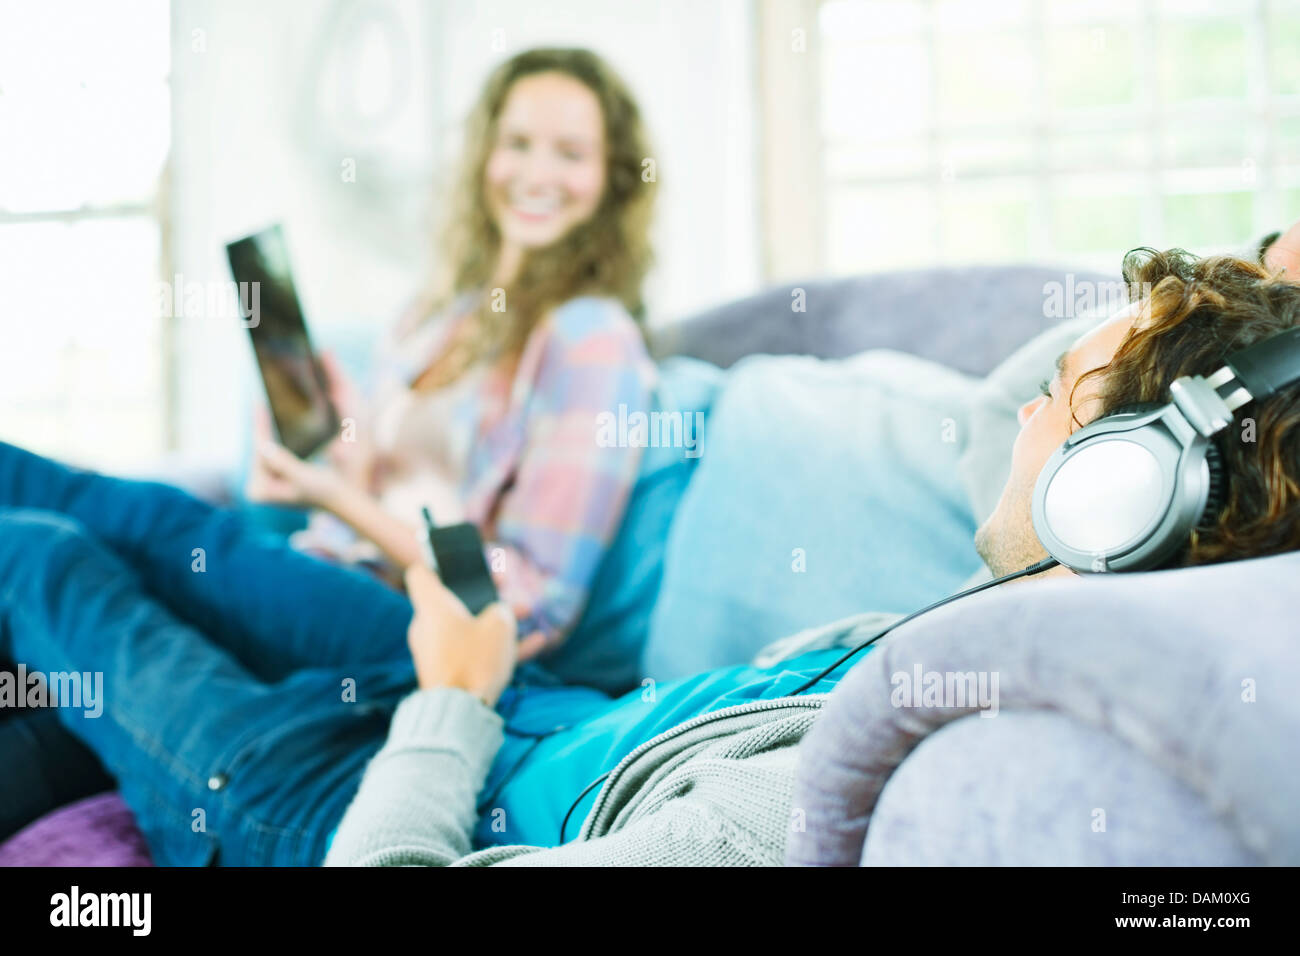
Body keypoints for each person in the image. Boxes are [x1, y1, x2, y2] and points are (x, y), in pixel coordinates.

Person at [3, 228, 1299, 865]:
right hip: (511, 690)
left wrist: (452, 694)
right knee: (174, 523)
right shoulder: (962, 634)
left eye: (1058, 395)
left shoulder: (784, 814)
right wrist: (374, 515)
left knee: (45, 559)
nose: (1018, 410)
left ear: (1117, 498)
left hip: (350, 793)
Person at [0, 47, 659, 841]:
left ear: (613, 177)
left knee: (141, 532)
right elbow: (378, 485)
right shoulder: (439, 317)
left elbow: (525, 598)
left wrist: (338, 499)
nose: (537, 172)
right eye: (518, 143)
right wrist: (327, 451)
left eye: (570, 152)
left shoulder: (592, 341)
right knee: (63, 675)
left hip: (410, 629)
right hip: (327, 577)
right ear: (485, 150)